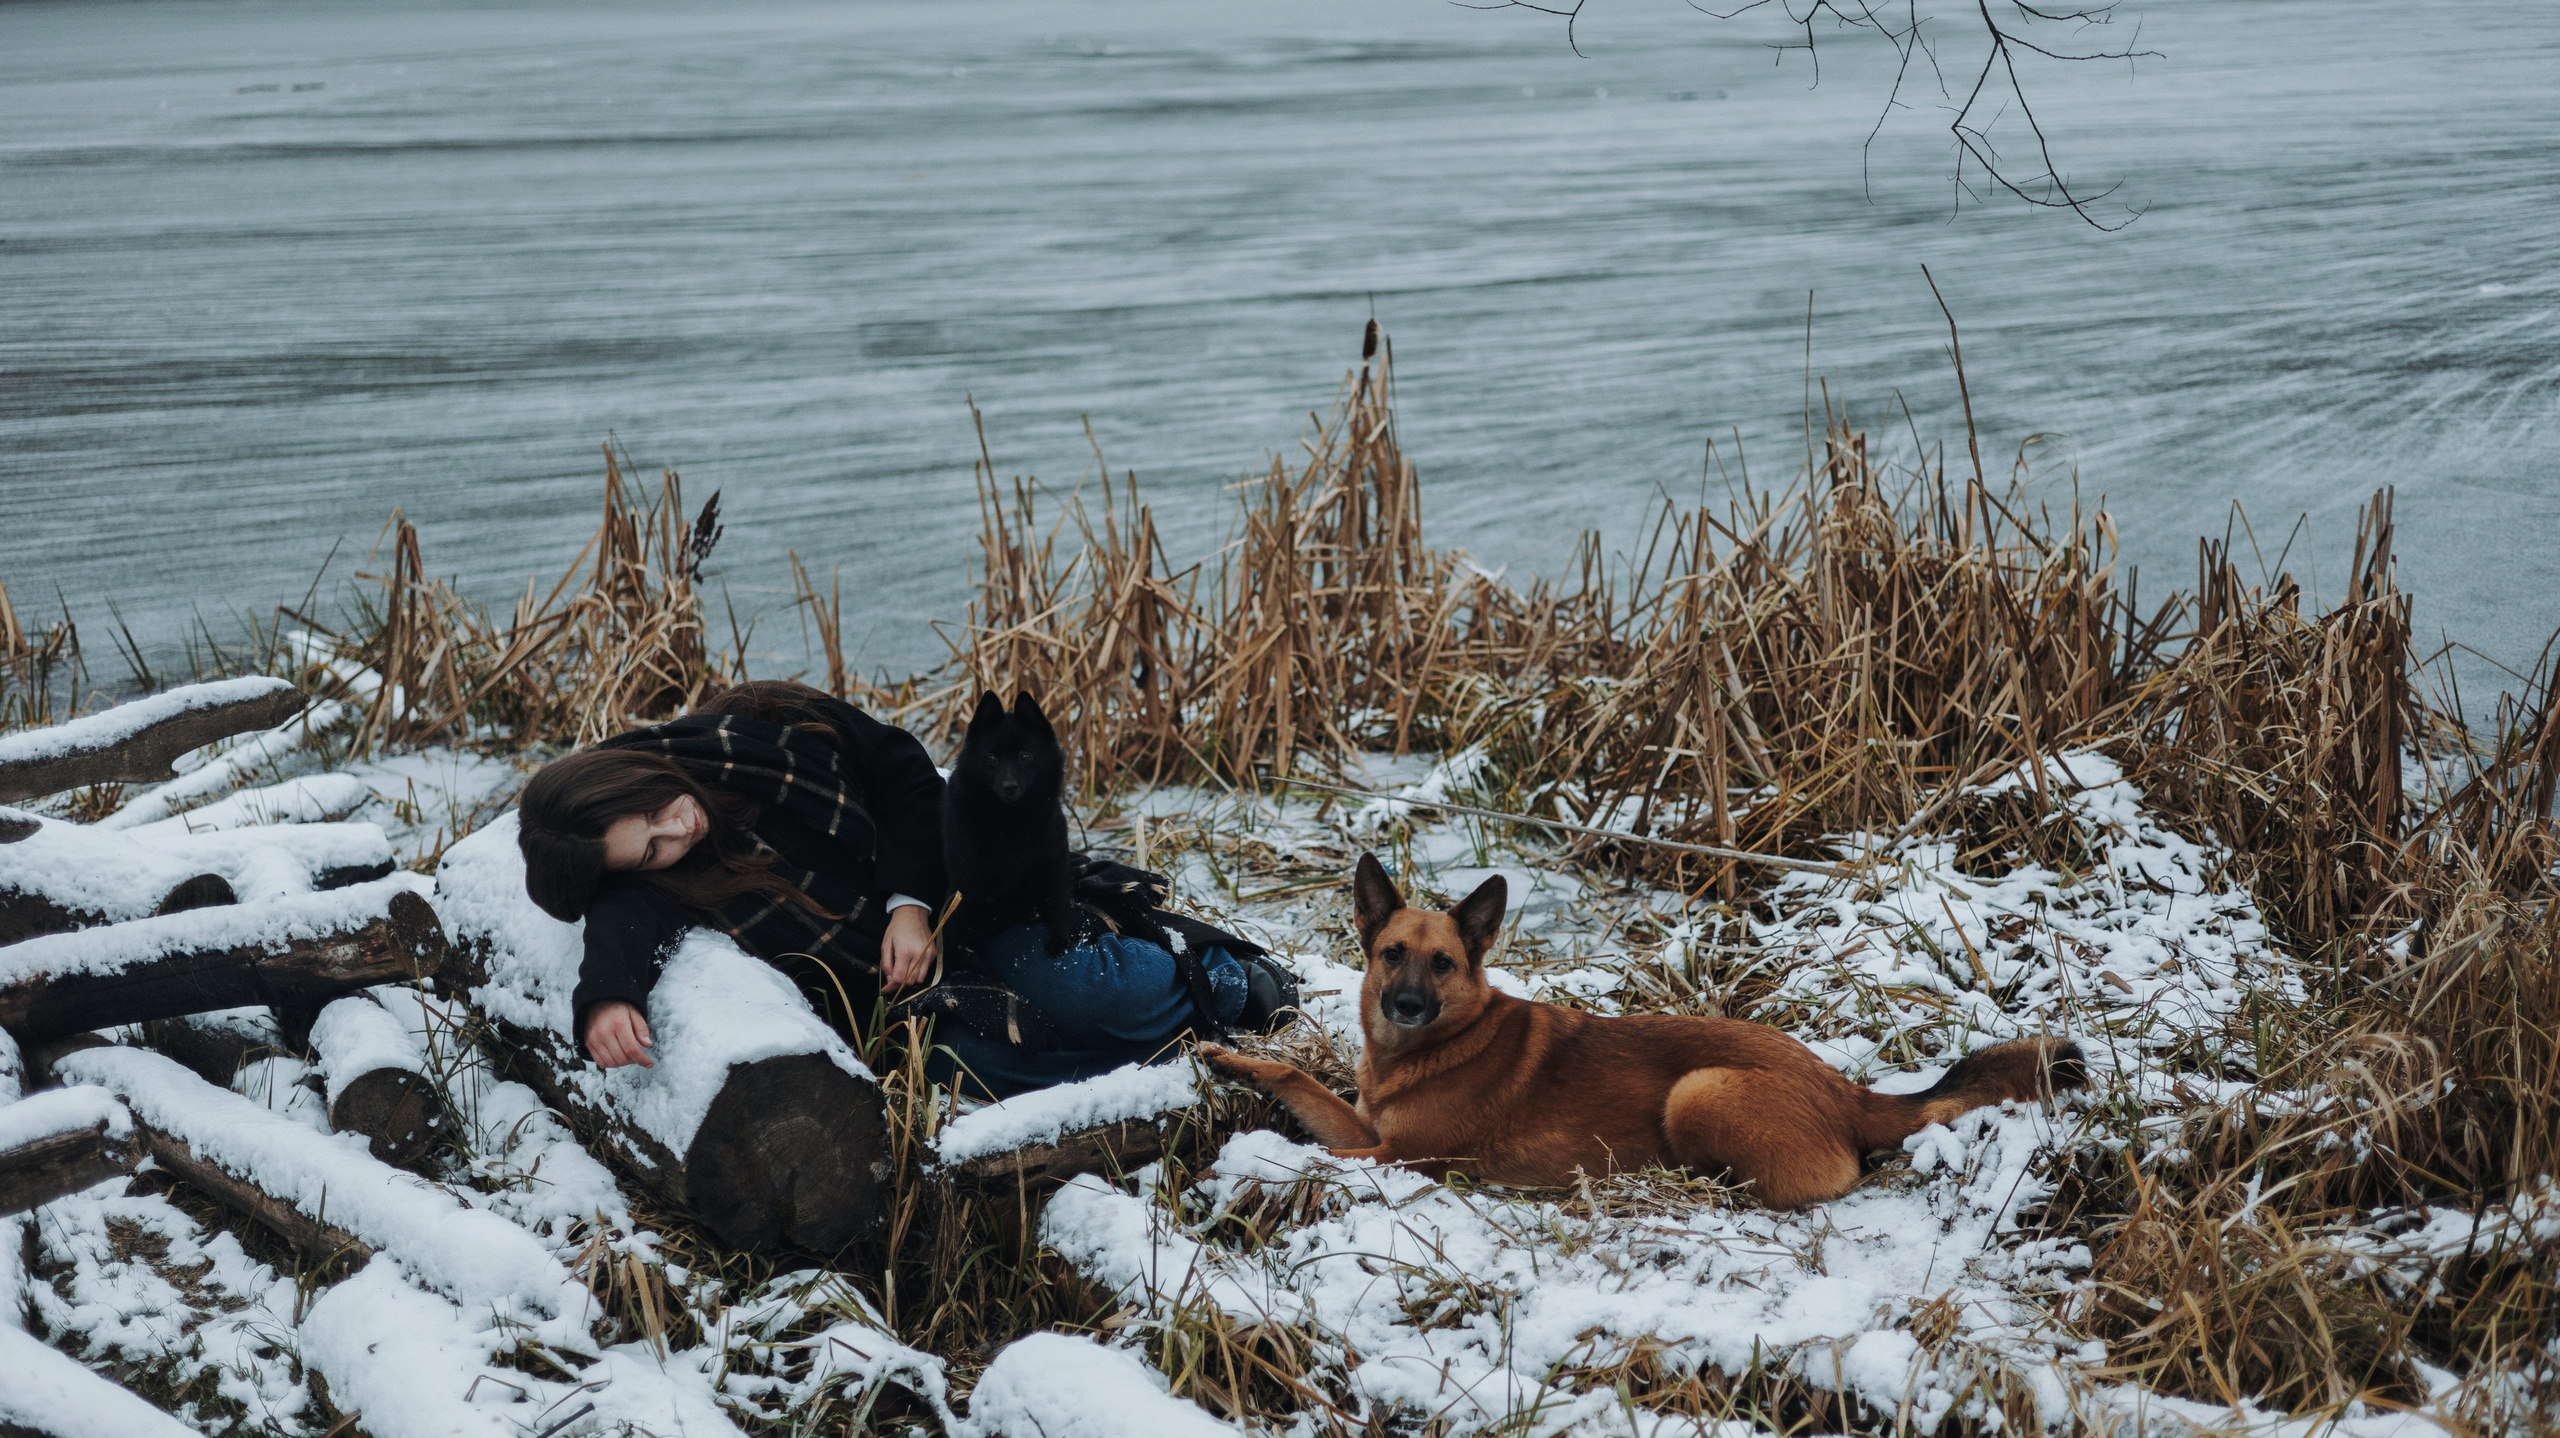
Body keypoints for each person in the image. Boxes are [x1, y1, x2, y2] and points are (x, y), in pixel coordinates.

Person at [517, 680, 946, 1069]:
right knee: (979, 1059)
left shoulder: (763, 715)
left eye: (653, 808)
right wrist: (607, 995)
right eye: (652, 849)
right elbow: (622, 915)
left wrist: (910, 904)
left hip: (964, 893)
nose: (678, 829)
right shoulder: (676, 878)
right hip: (909, 1004)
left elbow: (905, 774)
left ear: (635, 775)